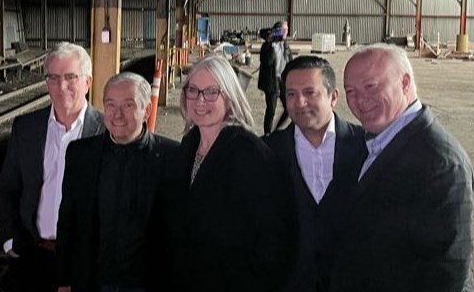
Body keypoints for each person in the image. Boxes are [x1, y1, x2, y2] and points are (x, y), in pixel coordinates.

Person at [331, 43, 474, 292]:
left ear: (405, 83)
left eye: (371, 86)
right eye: (350, 91)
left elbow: (447, 273)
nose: (359, 101)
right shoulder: (373, 140)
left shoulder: (439, 164)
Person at [156, 54, 296, 292]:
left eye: (211, 92)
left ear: (230, 98)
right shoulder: (187, 147)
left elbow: (273, 239)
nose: (200, 101)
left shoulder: (250, 154)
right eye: (193, 90)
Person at [56, 72, 178, 292]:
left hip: (148, 283)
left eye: (129, 105)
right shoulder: (80, 154)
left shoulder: (172, 157)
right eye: (110, 105)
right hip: (92, 282)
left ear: (147, 110)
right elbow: (67, 221)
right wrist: (63, 280)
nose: (117, 115)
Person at [0, 42, 104, 292]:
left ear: (87, 82)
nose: (61, 86)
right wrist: (10, 241)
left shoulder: (105, 131)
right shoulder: (26, 127)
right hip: (31, 255)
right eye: (53, 78)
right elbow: (8, 188)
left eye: (70, 77)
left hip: (84, 261)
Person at [264, 56, 367, 292]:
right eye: (291, 94)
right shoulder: (268, 151)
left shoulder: (365, 147)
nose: (299, 102)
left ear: (333, 97)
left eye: (310, 92)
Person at [258, 21, 293, 135]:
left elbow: (290, 61)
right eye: (283, 30)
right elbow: (267, 61)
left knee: (289, 108)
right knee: (271, 110)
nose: (285, 33)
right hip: (272, 81)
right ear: (276, 31)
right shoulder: (267, 46)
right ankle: (267, 134)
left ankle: (277, 130)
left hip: (283, 80)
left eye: (286, 30)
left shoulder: (286, 45)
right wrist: (270, 42)